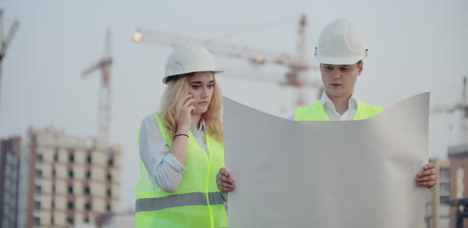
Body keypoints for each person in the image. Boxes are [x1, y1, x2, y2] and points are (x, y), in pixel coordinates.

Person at [217, 18, 437, 193]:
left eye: (344, 68)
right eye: (329, 68)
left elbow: (398, 176)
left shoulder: (380, 121)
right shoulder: (296, 122)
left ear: (360, 67)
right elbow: (272, 176)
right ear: (320, 66)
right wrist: (233, 181)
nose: (336, 76)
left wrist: (424, 179)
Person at [135, 44, 228, 228]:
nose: (205, 94)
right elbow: (168, 182)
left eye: (210, 86)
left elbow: (226, 196)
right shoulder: (154, 125)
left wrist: (228, 187)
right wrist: (183, 127)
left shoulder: (216, 131)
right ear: (178, 88)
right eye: (196, 86)